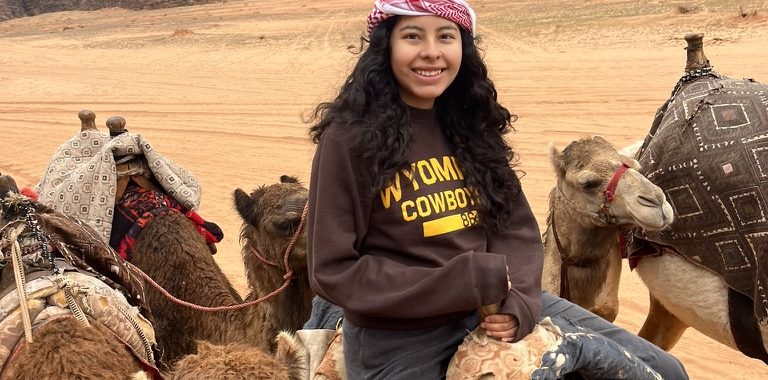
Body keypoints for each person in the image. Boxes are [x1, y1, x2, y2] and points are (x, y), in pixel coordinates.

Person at [305, 1, 689, 379]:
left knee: (666, 371)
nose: (431, 52)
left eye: (446, 36)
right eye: (412, 36)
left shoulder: (470, 126)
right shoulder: (349, 140)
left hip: (497, 307)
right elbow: (334, 269)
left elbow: (514, 228)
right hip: (400, 338)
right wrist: (463, 281)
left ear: (463, 47)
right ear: (386, 45)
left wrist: (519, 302)